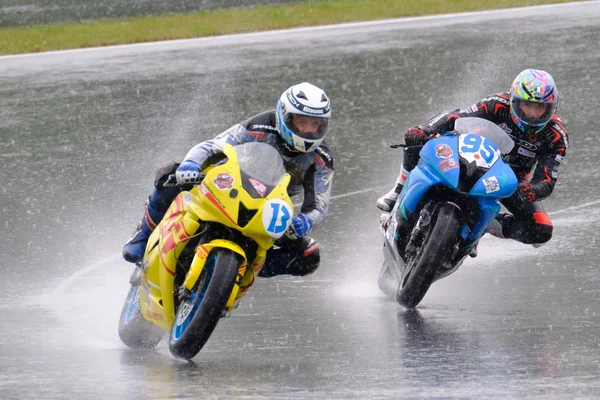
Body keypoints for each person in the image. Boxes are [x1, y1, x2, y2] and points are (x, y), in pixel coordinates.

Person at [123, 82, 334, 277]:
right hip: (231, 188)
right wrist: (190, 166)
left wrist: (305, 221)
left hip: (269, 214)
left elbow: (319, 206)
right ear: (285, 116)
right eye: (302, 122)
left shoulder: (322, 159)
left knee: (309, 254)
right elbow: (212, 146)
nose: (309, 130)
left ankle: (242, 271)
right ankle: (143, 235)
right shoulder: (259, 127)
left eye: (315, 124)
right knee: (170, 172)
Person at [376, 69, 568, 246]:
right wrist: (425, 130)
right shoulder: (497, 104)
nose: (533, 114)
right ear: (514, 100)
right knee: (416, 139)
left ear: (552, 108)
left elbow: (547, 180)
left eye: (540, 107)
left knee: (541, 231)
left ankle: (486, 225)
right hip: (470, 156)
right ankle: (399, 189)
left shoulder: (556, 136)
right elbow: (455, 116)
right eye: (527, 105)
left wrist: (531, 190)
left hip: (508, 180)